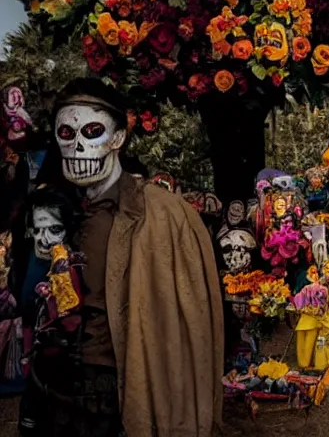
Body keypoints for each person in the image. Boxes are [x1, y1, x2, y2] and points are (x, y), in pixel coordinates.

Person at [27, 78, 224, 436]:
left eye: (92, 131)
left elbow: (187, 326)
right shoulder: (51, 210)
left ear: (117, 137)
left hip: (122, 386)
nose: (78, 146)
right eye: (66, 133)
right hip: (57, 388)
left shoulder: (165, 215)